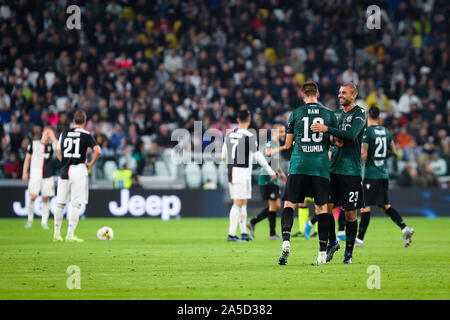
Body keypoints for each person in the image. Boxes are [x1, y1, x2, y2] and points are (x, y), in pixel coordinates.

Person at [278, 81, 338, 265]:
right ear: (317, 95)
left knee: (290, 204)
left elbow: (288, 145)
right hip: (320, 166)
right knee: (321, 208)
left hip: (299, 165)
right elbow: (335, 141)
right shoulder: (329, 115)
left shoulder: (295, 114)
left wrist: (297, 143)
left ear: (303, 96)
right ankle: (321, 254)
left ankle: (286, 242)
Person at [311, 82, 366, 264]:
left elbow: (350, 136)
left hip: (351, 171)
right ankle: (333, 242)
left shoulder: (359, 113)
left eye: (344, 92)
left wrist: (329, 130)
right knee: (325, 208)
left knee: (350, 213)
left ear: (354, 94)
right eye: (339, 92)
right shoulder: (335, 115)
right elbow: (332, 139)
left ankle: (348, 254)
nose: (340, 95)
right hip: (333, 169)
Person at [357, 106, 414, 247]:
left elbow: (364, 154)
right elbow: (393, 151)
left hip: (372, 175)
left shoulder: (367, 132)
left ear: (367, 117)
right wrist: (380, 156)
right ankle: (405, 228)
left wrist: (359, 169)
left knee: (365, 206)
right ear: (379, 117)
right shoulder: (385, 131)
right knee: (385, 206)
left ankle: (359, 239)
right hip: (383, 174)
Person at [221, 109, 276, 242]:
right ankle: (231, 234)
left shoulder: (229, 135)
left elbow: (223, 156)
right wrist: (270, 170)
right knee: (238, 202)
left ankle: (244, 233)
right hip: (241, 172)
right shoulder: (249, 136)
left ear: (238, 120)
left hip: (232, 171)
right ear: (249, 120)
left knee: (243, 201)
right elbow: (258, 156)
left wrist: (228, 167)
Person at [53, 110, 102, 242]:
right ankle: (70, 235)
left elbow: (58, 153)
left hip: (64, 170)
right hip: (79, 170)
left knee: (60, 203)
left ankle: (57, 235)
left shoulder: (64, 133)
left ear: (73, 121)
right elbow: (98, 151)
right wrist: (90, 164)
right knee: (75, 204)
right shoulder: (86, 135)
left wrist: (64, 162)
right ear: (85, 122)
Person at [247, 123, 287, 240]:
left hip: (272, 178)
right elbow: (269, 153)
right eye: (281, 131)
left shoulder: (276, 143)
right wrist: (283, 148)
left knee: (275, 205)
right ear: (274, 132)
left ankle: (253, 222)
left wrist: (280, 172)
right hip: (266, 178)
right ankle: (271, 233)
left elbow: (274, 160)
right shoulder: (269, 143)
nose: (283, 134)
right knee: (274, 205)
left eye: (284, 131)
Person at [22, 126, 58, 229]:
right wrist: (25, 172)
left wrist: (53, 137)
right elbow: (27, 159)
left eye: (50, 134)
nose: (48, 136)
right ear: (42, 133)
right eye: (47, 133)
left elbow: (59, 148)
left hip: (48, 175)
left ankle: (44, 223)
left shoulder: (52, 146)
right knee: (32, 196)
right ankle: (29, 220)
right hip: (35, 175)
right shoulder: (34, 144)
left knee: (46, 198)